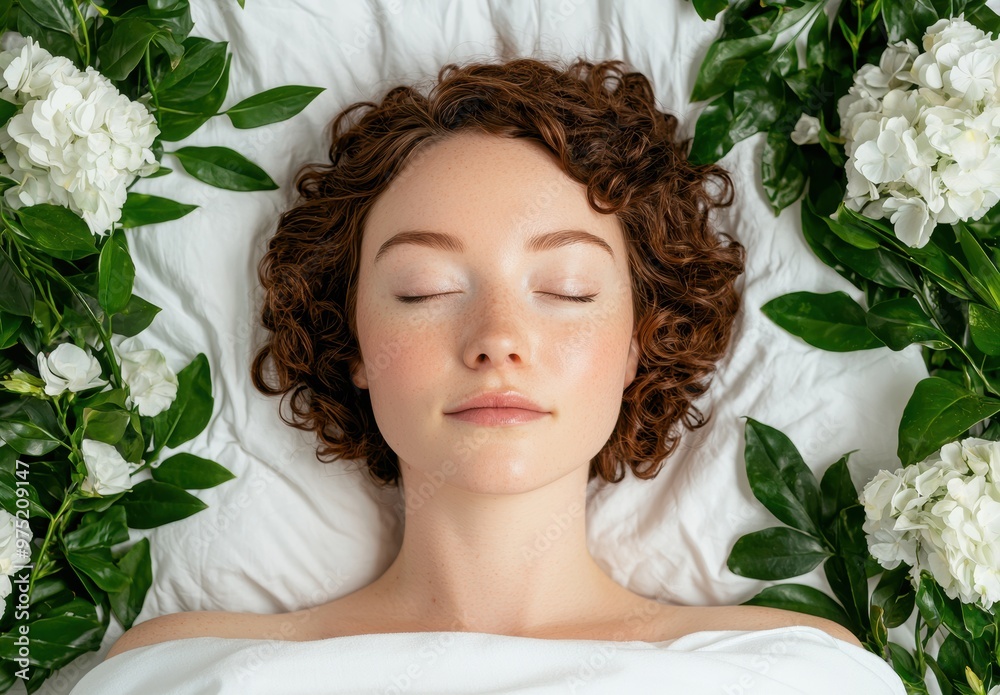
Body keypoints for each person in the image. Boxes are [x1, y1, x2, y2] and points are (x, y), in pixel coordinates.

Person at [80, 57, 905, 694]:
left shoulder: (790, 674)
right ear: (354, 340)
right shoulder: (185, 672)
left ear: (636, 345)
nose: (497, 340)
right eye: (425, 290)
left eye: (567, 290)